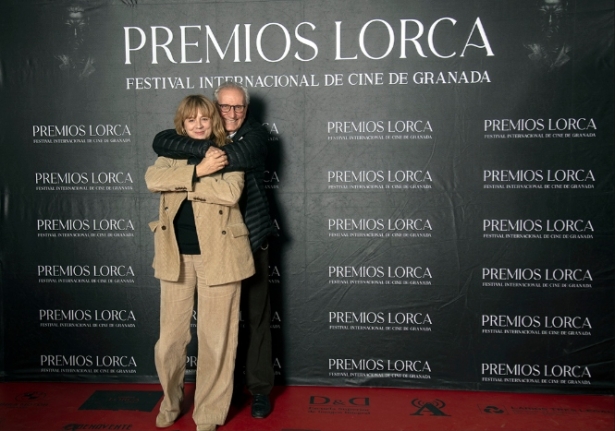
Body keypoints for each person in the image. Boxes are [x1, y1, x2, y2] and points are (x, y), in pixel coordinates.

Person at [152, 81, 276, 419]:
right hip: (207, 242)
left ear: (246, 110)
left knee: (256, 318)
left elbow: (224, 165)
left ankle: (260, 390)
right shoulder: (194, 141)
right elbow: (160, 142)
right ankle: (211, 395)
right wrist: (195, 165)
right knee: (199, 332)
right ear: (214, 108)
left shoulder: (253, 138)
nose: (232, 113)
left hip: (250, 235)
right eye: (225, 107)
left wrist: (187, 171)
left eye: (239, 107)